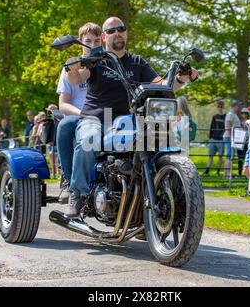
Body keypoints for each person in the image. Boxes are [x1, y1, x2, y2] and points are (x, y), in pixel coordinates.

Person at [64, 16, 198, 217]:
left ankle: (151, 197)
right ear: (104, 36)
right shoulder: (96, 61)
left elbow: (161, 86)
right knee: (87, 141)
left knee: (160, 143)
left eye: (121, 28)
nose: (117, 33)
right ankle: (78, 193)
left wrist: (180, 78)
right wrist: (71, 68)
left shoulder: (137, 62)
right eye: (111, 30)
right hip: (96, 118)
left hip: (129, 120)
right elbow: (76, 78)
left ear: (126, 32)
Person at [57, 22, 103, 203]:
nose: (92, 45)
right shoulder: (72, 67)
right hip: (79, 115)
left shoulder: (107, 64)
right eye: (88, 41)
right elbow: (63, 104)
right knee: (65, 124)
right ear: (80, 42)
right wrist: (83, 113)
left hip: (104, 115)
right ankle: (69, 182)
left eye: (96, 41)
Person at [202, 101, 226, 177]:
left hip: (221, 140)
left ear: (223, 107)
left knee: (220, 157)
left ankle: (218, 172)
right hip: (213, 139)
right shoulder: (214, 116)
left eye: (221, 106)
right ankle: (207, 171)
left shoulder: (226, 117)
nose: (220, 108)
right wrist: (210, 138)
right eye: (218, 106)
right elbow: (211, 127)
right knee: (210, 156)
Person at [223, 100, 242, 179]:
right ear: (234, 106)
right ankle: (227, 174)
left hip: (233, 137)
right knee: (229, 156)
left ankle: (228, 174)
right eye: (238, 106)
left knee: (230, 156)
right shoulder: (230, 114)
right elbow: (228, 126)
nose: (239, 107)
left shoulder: (234, 114)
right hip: (229, 137)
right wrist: (231, 138)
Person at [236, 108, 250, 177]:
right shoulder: (239, 122)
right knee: (239, 158)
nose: (243, 114)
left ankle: (245, 173)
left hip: (246, 142)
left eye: (245, 113)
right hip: (240, 142)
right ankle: (239, 173)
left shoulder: (249, 122)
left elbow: (249, 132)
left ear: (247, 114)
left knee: (245, 158)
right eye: (242, 113)